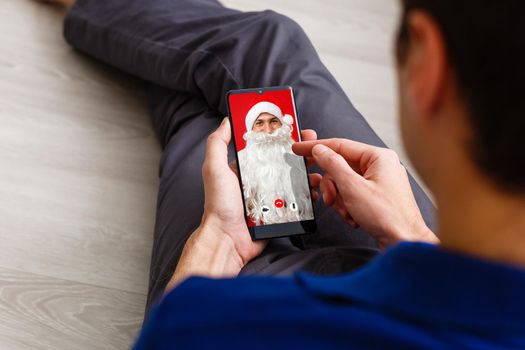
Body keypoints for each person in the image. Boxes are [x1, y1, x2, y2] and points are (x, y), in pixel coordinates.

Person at [43, 0, 524, 348]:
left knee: (206, 119)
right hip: (420, 257)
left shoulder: (204, 325)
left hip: (247, 294)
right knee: (266, 48)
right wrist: (413, 236)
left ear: (428, 68)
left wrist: (218, 241)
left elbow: (179, 327)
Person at [237, 101, 314, 225]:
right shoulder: (242, 160)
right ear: (251, 129)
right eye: (259, 123)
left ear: (282, 123)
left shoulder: (296, 151)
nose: (268, 130)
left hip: (302, 222)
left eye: (273, 121)